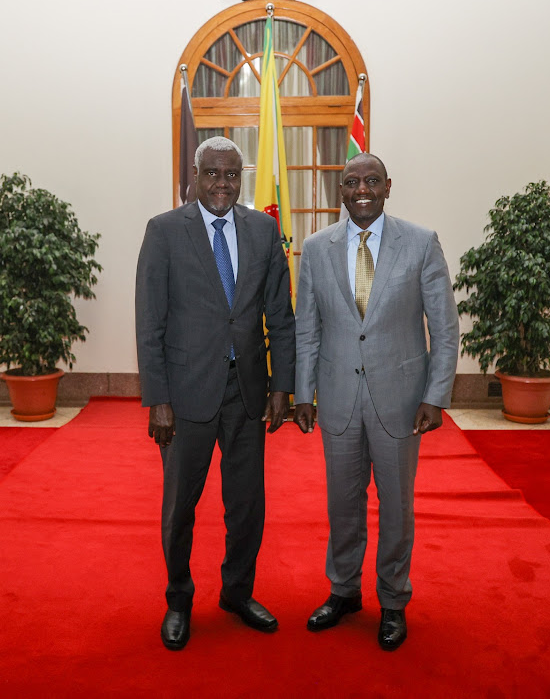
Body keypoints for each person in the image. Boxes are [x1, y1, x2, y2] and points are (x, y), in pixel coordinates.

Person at [293, 152, 458, 651]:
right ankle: (343, 591)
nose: (360, 189)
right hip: (338, 397)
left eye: (370, 181)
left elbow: (445, 328)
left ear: (388, 186)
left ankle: (393, 600)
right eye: (350, 183)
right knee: (343, 504)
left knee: (396, 505)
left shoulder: (421, 243)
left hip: (401, 401)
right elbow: (307, 329)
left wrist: (436, 395)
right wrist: (304, 392)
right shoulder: (316, 249)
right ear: (340, 192)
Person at [135, 136, 295, 651]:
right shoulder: (163, 232)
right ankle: (179, 598)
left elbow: (281, 317)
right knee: (181, 505)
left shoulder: (264, 229)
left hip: (246, 390)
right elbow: (149, 323)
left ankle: (237, 593)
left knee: (247, 503)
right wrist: (158, 399)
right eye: (212, 174)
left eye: (231, 174)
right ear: (194, 179)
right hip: (185, 394)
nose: (222, 184)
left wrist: (282, 386)